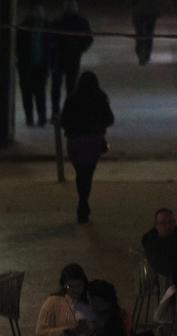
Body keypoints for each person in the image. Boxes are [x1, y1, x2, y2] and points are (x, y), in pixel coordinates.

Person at [59, 71, 114, 224]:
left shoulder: (72, 99)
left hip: (75, 142)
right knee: (88, 173)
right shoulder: (100, 98)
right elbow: (109, 119)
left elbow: (64, 121)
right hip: (93, 142)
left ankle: (83, 201)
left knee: (80, 173)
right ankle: (83, 201)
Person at [48, 0, 93, 115]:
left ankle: (69, 111)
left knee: (71, 88)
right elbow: (50, 38)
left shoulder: (81, 22)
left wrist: (80, 48)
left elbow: (88, 38)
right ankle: (56, 112)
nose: (70, 8)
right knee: (57, 88)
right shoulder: (58, 21)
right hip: (59, 58)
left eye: (72, 6)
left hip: (72, 59)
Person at [15, 2, 52, 127]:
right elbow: (17, 48)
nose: (39, 13)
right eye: (36, 11)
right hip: (26, 67)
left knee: (40, 94)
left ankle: (42, 117)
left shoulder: (47, 27)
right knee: (27, 94)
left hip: (40, 67)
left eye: (40, 11)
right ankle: (29, 117)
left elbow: (51, 48)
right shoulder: (23, 28)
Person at [142, 208, 177, 288]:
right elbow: (165, 269)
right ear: (156, 225)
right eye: (163, 223)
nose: (168, 226)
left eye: (171, 222)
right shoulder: (153, 245)